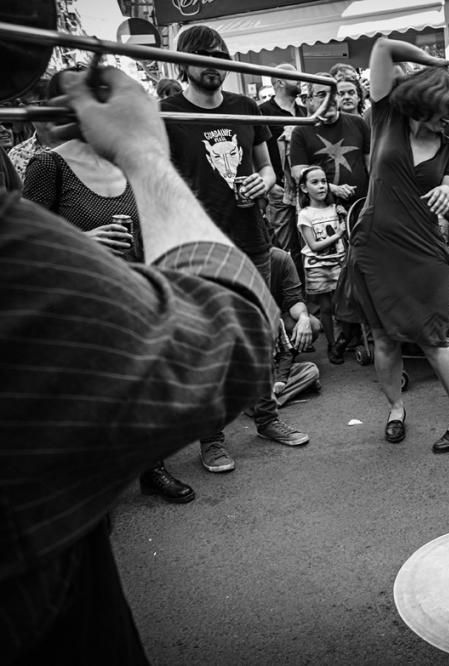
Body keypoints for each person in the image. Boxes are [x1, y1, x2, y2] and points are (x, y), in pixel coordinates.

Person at [1, 66, 276, 663]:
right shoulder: (48, 166)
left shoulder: (106, 166)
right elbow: (242, 333)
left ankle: (141, 469)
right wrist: (144, 151)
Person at [22, 67, 197, 504]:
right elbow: (27, 246)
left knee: (143, 388)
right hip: (78, 302)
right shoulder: (49, 165)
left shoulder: (122, 160)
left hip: (132, 291)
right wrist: (83, 240)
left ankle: (151, 469)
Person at [161, 26, 310, 466]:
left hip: (251, 239)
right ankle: (211, 438)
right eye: (205, 56)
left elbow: (269, 170)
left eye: (222, 55)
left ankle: (265, 417)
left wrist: (257, 183)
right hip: (197, 247)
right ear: (184, 64)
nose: (216, 64)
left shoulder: (246, 107)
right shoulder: (166, 113)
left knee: (259, 334)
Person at [347, 37, 449, 452]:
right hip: (376, 245)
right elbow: (384, 47)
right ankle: (396, 409)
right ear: (426, 103)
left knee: (434, 338)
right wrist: (433, 61)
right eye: (447, 109)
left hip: (423, 252)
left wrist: (448, 187)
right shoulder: (385, 115)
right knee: (383, 337)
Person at [289, 72, 370, 211]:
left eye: (333, 93)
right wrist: (332, 189)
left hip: (362, 207)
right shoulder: (301, 131)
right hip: (323, 211)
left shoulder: (358, 123)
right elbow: (299, 174)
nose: (329, 99)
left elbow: (371, 165)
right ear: (309, 100)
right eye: (321, 94)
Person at [297, 165, 348, 363]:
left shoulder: (335, 209)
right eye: (315, 182)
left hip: (338, 263)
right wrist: (338, 234)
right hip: (318, 266)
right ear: (304, 188)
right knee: (326, 308)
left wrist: (342, 215)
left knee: (342, 304)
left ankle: (345, 338)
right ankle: (332, 343)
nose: (321, 186)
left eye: (324, 181)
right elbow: (314, 245)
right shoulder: (305, 214)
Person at [258, 64, 307, 268]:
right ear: (279, 82)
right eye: (294, 77)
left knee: (308, 239)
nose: (299, 81)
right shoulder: (263, 112)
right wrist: (270, 185)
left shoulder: (304, 111)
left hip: (305, 189)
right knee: (286, 244)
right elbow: (255, 149)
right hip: (278, 189)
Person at [265, 246, 322, 408]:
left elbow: (286, 354)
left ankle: (267, 403)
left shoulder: (279, 258)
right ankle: (266, 403)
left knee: (311, 370)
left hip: (275, 370)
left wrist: (304, 318)